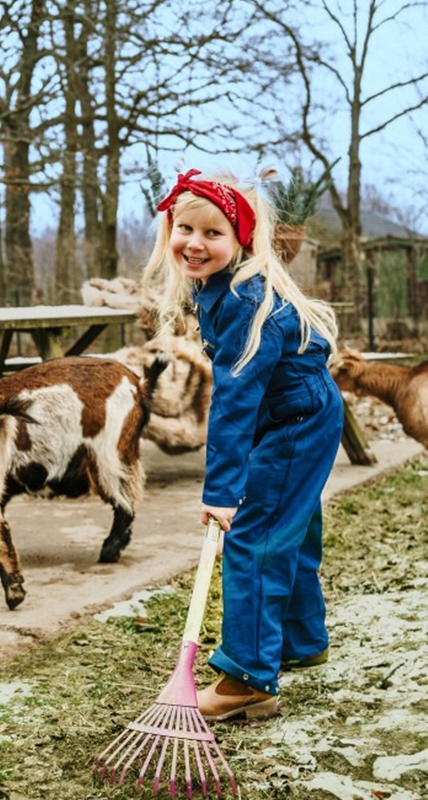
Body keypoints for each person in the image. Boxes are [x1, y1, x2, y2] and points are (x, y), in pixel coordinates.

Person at [142, 168, 344, 721]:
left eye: (213, 233)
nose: (195, 243)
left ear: (241, 241)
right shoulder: (218, 284)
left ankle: (248, 679)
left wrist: (222, 492)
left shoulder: (244, 298)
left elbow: (234, 400)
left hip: (295, 420)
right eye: (186, 228)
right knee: (289, 526)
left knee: (255, 537)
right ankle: (302, 639)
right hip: (299, 411)